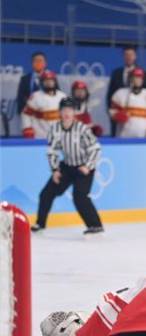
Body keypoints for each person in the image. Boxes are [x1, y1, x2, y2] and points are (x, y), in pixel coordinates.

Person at [32, 98, 104, 235]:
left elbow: (95, 149)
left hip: (83, 167)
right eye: (64, 109)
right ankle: (40, 224)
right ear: (59, 111)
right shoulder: (55, 129)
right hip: (67, 166)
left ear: (74, 112)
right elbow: (52, 150)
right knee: (46, 194)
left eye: (69, 110)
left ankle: (96, 226)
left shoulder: (82, 129)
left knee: (80, 196)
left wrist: (88, 167)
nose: (66, 113)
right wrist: (55, 170)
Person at [106, 46, 146, 135]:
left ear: (135, 57)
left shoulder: (143, 73)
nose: (128, 57)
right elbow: (110, 95)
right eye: (126, 54)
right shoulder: (116, 73)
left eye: (131, 54)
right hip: (120, 121)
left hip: (138, 120)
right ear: (123, 57)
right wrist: (114, 115)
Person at [108, 68, 146, 138]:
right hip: (124, 137)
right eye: (135, 77)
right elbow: (112, 112)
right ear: (130, 79)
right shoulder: (120, 93)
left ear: (142, 80)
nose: (137, 80)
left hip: (143, 137)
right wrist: (118, 116)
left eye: (139, 78)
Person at [21, 70, 67, 139]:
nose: (48, 83)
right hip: (40, 137)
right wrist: (27, 128)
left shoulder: (63, 96)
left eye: (50, 80)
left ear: (55, 82)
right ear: (42, 82)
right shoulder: (35, 97)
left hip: (59, 137)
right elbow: (26, 115)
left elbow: (69, 116)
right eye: (45, 81)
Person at [16, 51, 47, 115]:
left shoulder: (51, 78)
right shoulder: (25, 79)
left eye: (40, 61)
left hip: (47, 113)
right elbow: (20, 98)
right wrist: (22, 113)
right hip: (30, 114)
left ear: (45, 63)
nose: (38, 63)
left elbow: (56, 95)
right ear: (32, 63)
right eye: (35, 61)